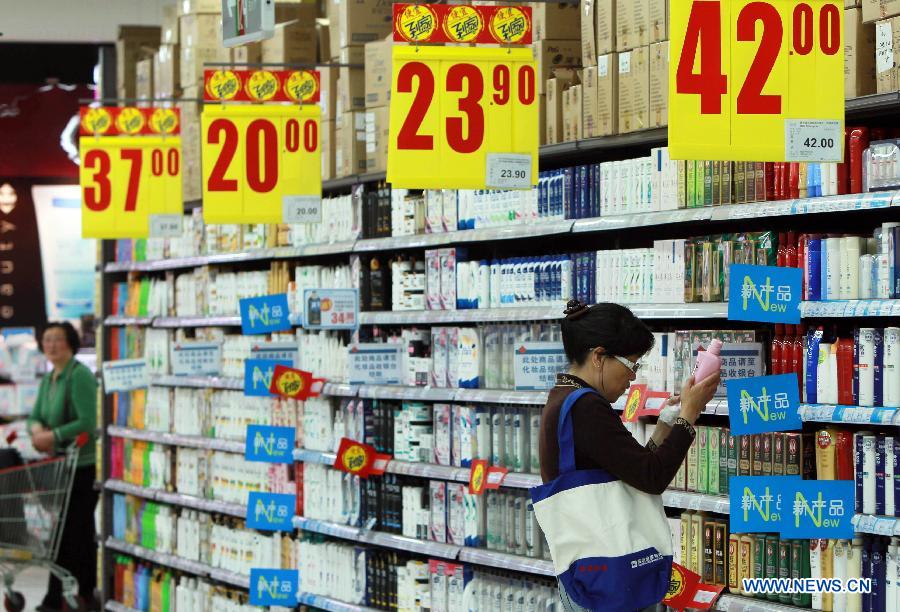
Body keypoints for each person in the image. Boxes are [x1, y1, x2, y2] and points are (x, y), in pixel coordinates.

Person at [539, 301, 721, 612]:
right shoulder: (586, 407)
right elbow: (652, 477)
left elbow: (634, 470)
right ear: (599, 356)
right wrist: (688, 416)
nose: (632, 378)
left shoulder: (564, 397)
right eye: (631, 363)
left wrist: (667, 421)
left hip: (592, 574)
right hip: (607, 579)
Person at [27, 322, 98, 612]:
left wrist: (53, 435)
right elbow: (35, 415)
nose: (51, 345)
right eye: (47, 340)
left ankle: (64, 596)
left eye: (57, 339)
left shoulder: (79, 376)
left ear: (70, 342)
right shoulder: (49, 379)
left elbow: (88, 421)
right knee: (69, 533)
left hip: (82, 466)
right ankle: (70, 595)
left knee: (71, 534)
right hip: (59, 466)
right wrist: (36, 430)